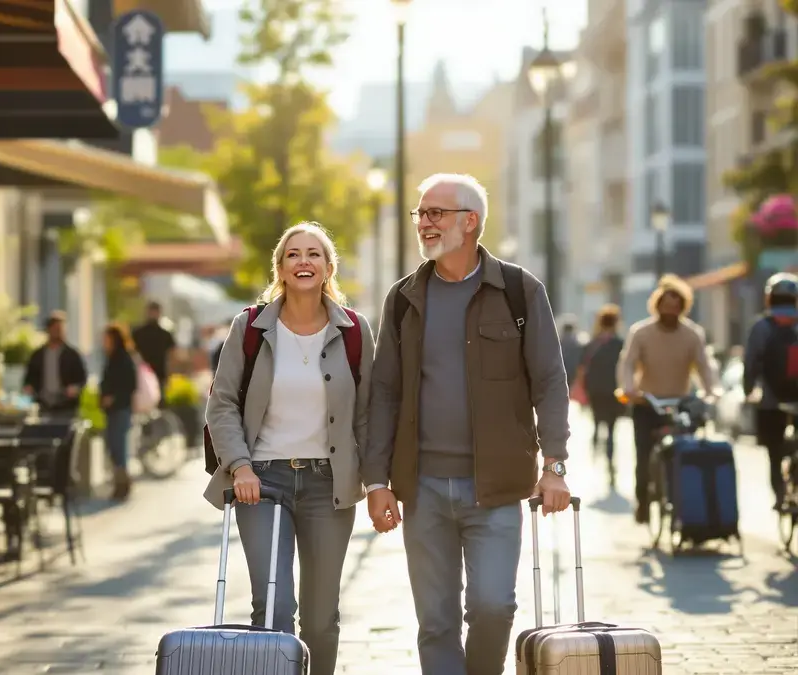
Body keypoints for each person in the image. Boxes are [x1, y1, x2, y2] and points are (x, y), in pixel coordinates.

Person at [364, 173, 572, 675]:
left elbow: (549, 380)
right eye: (420, 213)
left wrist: (555, 465)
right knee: (435, 621)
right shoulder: (404, 298)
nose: (424, 223)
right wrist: (376, 480)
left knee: (493, 606)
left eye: (435, 213)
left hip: (496, 489)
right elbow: (384, 392)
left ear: (470, 221)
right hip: (423, 487)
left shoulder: (519, 291)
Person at [203, 222, 375, 675]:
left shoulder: (356, 331)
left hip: (328, 485)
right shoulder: (250, 327)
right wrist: (239, 466)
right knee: (274, 610)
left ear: (328, 267)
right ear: (280, 268)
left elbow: (368, 415)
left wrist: (377, 482)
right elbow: (220, 405)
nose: (304, 261)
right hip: (260, 483)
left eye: (314, 254)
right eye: (294, 254)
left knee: (321, 620)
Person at [617, 274, 719, 523]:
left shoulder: (692, 334)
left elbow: (704, 366)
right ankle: (643, 501)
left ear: (683, 308)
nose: (670, 311)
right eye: (666, 305)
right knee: (643, 456)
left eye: (676, 306)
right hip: (647, 403)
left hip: (680, 404)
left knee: (685, 453)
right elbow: (628, 363)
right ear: (657, 305)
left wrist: (711, 391)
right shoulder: (640, 332)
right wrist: (629, 388)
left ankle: (683, 501)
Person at [742, 272, 798, 510]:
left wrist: (748, 390)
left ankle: (780, 495)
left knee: (774, 452)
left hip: (770, 401)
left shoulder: (761, 327)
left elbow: (751, 363)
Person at [577, 304, 625, 485]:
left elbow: (582, 369)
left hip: (595, 391)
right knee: (612, 430)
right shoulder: (620, 344)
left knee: (597, 423)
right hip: (614, 392)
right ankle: (610, 462)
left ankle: (595, 454)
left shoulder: (591, 344)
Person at [100, 323, 139, 501]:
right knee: (113, 447)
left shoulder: (123, 358)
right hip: (111, 410)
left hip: (121, 409)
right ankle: (120, 483)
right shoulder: (111, 357)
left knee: (119, 447)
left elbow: (129, 385)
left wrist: (113, 397)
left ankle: (122, 485)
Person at [23, 311, 88, 418]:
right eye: (56, 329)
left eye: (61, 329)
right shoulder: (38, 355)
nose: (59, 332)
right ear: (49, 330)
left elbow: (82, 378)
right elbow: (29, 377)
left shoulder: (72, 355)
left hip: (66, 405)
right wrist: (29, 387)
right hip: (43, 404)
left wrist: (75, 388)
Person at [132, 301, 176, 393]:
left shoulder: (165, 335)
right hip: (142, 374)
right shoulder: (138, 333)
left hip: (159, 374)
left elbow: (172, 355)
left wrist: (170, 374)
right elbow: (132, 352)